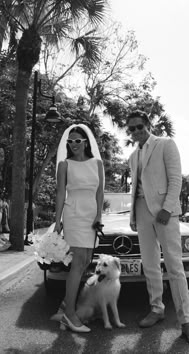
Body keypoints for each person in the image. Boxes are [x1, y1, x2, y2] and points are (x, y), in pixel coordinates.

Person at [126, 110, 189, 349]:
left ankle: (187, 323)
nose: (137, 131)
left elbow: (175, 179)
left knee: (174, 266)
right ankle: (156, 308)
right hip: (141, 212)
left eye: (140, 126)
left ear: (148, 124)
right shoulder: (132, 156)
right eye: (132, 128)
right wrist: (133, 215)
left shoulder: (166, 144)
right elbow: (137, 188)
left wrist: (167, 209)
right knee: (149, 265)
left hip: (164, 213)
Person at [54, 124, 104, 333]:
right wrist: (57, 221)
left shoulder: (97, 163)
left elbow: (100, 191)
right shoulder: (65, 165)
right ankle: (70, 315)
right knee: (77, 262)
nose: (74, 144)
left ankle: (66, 304)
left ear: (85, 142)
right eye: (70, 141)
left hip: (91, 215)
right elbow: (59, 193)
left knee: (85, 261)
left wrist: (99, 215)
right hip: (73, 213)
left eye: (77, 140)